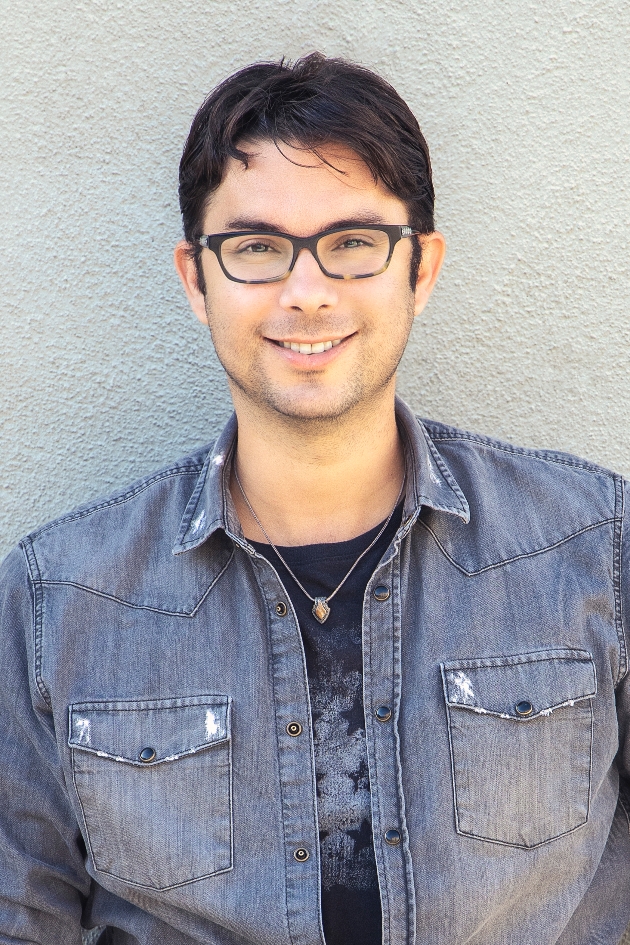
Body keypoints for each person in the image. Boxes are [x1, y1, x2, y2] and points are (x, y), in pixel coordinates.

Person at [0, 51, 629, 945]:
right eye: (257, 248)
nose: (306, 292)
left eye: (353, 243)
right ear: (196, 278)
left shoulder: (594, 547)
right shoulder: (58, 597)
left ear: (421, 268)